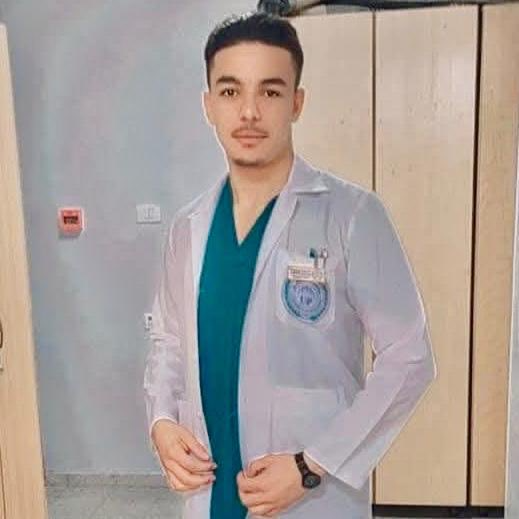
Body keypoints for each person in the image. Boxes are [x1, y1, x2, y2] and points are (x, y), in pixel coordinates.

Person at [143, 10, 437, 519]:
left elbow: (409, 357)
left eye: (271, 91)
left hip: (311, 496)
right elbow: (167, 339)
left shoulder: (352, 216)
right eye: (230, 91)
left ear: (296, 103)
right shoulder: (188, 228)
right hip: (211, 488)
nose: (249, 112)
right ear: (208, 105)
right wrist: (162, 421)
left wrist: (312, 463)